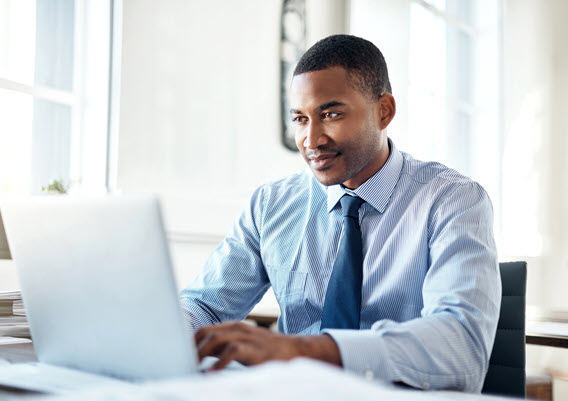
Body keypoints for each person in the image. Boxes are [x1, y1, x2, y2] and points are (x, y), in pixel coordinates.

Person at [180, 34, 501, 392]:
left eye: (330, 114)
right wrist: (168, 329)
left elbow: (461, 345)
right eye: (300, 119)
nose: (311, 139)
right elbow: (204, 305)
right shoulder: (271, 205)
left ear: (384, 111)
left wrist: (301, 350)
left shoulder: (453, 200)